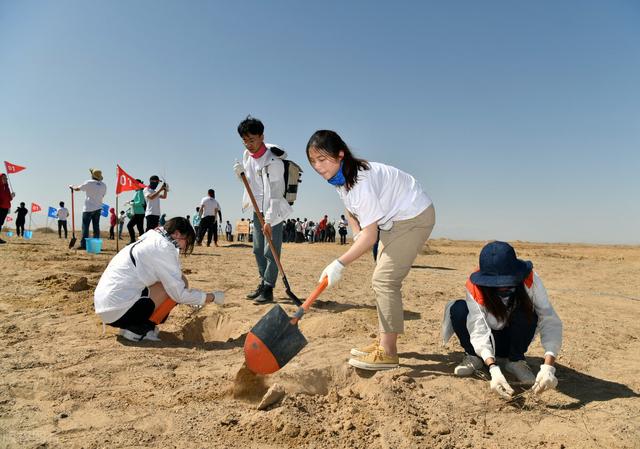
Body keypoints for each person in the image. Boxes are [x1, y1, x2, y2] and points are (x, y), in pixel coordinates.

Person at [306, 130, 436, 370]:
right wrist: (357, 235)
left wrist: (339, 263)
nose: (317, 166)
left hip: (413, 216)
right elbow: (351, 210)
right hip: (393, 220)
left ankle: (388, 352)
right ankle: (383, 342)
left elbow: (371, 235)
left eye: (322, 159)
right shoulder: (341, 179)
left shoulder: (360, 181)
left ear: (340, 154)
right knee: (381, 280)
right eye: (313, 161)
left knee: (385, 279)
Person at [441, 241, 563, 399]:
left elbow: (549, 319)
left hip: (512, 339)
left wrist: (548, 366)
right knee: (458, 309)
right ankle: (474, 357)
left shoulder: (530, 279)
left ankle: (515, 361)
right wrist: (493, 369)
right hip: (486, 341)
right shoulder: (475, 286)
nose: (503, 289)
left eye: (508, 283)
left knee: (528, 312)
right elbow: (478, 328)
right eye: (497, 286)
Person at [94, 217, 224, 342]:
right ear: (177, 234)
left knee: (178, 280)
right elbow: (178, 294)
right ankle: (138, 330)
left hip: (108, 307)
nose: (185, 247)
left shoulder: (152, 239)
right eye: (186, 240)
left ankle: (135, 325)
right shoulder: (163, 248)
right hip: (117, 311)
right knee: (177, 286)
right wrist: (212, 297)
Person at [233, 116, 293, 304]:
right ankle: (263, 282)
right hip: (256, 208)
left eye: (252, 140)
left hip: (273, 211)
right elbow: (250, 184)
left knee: (271, 250)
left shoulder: (273, 161)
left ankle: (269, 288)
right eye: (244, 140)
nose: (248, 145)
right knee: (258, 249)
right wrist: (240, 174)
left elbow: (275, 194)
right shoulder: (246, 156)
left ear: (262, 137)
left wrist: (269, 220)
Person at [70, 168, 106, 250]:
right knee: (96, 227)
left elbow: (77, 189)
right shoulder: (104, 185)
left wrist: (72, 186)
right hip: (98, 208)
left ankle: (84, 245)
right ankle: (96, 245)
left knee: (85, 227)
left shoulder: (89, 183)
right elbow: (103, 196)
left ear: (92, 175)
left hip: (88, 208)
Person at [0, 174, 15, 244]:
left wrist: (12, 196)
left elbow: (8, 198)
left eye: (6, 178)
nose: (5, 180)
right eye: (4, 178)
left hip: (5, 208)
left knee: (0, 223)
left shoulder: (7, 187)